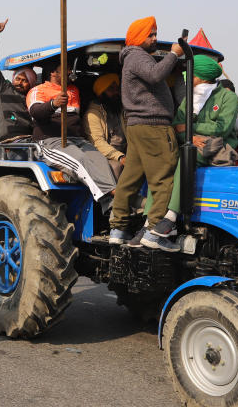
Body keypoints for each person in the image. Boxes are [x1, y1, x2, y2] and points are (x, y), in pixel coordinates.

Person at [110, 16, 183, 251]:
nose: (154, 38)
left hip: (139, 127)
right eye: (150, 35)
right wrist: (174, 55)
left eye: (155, 34)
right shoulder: (138, 57)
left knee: (131, 177)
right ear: (139, 37)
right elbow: (155, 75)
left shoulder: (132, 59)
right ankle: (155, 232)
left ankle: (118, 229)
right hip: (153, 126)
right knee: (162, 178)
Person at [146, 54, 238, 236]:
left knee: (185, 157)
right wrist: (190, 135)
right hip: (193, 143)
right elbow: (176, 126)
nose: (186, 78)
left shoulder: (228, 98)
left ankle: (171, 218)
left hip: (217, 148)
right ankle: (150, 219)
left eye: (191, 74)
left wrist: (190, 129)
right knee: (161, 160)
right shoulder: (190, 99)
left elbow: (221, 128)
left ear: (202, 76)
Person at [27, 63, 116, 204]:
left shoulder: (73, 90)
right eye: (65, 69)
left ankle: (110, 206)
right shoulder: (38, 90)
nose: (69, 72)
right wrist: (53, 104)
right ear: (53, 73)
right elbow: (36, 112)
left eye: (70, 69)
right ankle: (112, 197)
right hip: (51, 141)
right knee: (80, 159)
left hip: (77, 140)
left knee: (100, 160)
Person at [0, 19, 36, 141]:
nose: (20, 82)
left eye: (24, 80)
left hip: (30, 140)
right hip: (10, 142)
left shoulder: (33, 97)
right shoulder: (4, 88)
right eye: (18, 78)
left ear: (31, 83)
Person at [82, 73, 127, 178]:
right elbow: (97, 142)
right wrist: (120, 157)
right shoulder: (92, 114)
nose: (116, 92)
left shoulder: (120, 109)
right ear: (101, 93)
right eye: (111, 89)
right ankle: (112, 194)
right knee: (116, 167)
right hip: (106, 155)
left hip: (125, 152)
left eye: (116, 88)